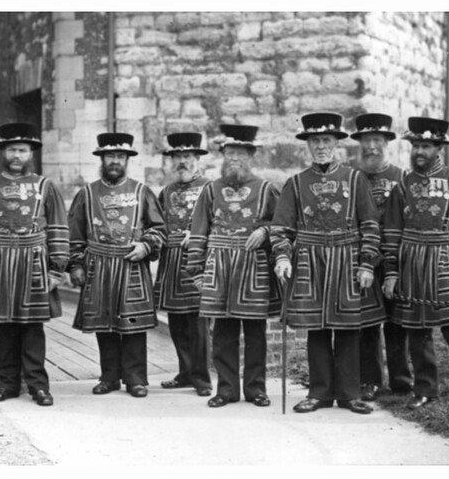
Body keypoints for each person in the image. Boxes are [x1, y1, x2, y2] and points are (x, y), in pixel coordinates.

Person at [270, 112, 386, 415]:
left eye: (326, 140)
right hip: (310, 260)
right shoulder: (296, 184)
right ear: (307, 145)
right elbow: (282, 228)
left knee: (349, 328)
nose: (321, 146)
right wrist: (282, 256)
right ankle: (319, 393)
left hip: (347, 259)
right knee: (317, 329)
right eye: (315, 141)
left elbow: (370, 225)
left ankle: (349, 394)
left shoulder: (354, 178)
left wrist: (367, 264)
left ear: (335, 143)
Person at [382, 116, 449, 409]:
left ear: (438, 149)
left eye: (426, 146)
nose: (419, 151)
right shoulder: (402, 185)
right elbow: (391, 233)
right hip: (412, 264)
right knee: (417, 331)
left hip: (445, 263)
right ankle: (426, 389)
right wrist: (391, 273)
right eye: (416, 145)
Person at [0, 123, 69, 407]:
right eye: (12, 150)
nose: (16, 155)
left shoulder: (45, 186)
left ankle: (38, 387)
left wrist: (57, 268)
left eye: (22, 150)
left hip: (34, 263)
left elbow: (59, 227)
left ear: (30, 153)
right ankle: (9, 385)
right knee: (4, 329)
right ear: (4, 152)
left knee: (33, 329)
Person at [185, 124, 281, 408]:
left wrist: (265, 232)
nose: (235, 158)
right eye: (230, 153)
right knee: (223, 333)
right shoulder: (211, 190)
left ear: (251, 155)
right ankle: (226, 389)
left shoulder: (266, 189)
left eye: (241, 153)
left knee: (255, 332)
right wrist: (197, 271)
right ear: (223, 155)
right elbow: (199, 230)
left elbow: (282, 225)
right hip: (219, 268)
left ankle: (256, 389)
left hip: (253, 267)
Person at [67, 132, 167, 398]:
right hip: (97, 265)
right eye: (110, 156)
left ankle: (136, 380)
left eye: (120, 156)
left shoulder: (141, 191)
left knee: (133, 325)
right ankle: (109, 377)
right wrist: (75, 265)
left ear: (127, 160)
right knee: (105, 324)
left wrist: (146, 246)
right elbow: (74, 233)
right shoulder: (87, 194)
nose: (115, 161)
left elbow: (159, 228)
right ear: (101, 159)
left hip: (131, 264)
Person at [349, 113, 413, 400]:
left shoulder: (401, 177)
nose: (371, 146)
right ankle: (370, 380)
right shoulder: (352, 177)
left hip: (395, 258)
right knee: (367, 323)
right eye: (366, 141)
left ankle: (401, 380)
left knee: (397, 321)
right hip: (363, 260)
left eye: (377, 140)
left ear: (387, 143)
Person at [153, 132, 213, 397]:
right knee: (176, 321)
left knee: (198, 322)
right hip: (171, 260)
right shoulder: (165, 192)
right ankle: (186, 372)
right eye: (177, 157)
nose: (182, 162)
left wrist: (200, 235)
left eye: (187, 157)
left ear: (197, 159)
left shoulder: (211, 188)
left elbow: (221, 222)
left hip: (198, 259)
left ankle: (202, 378)